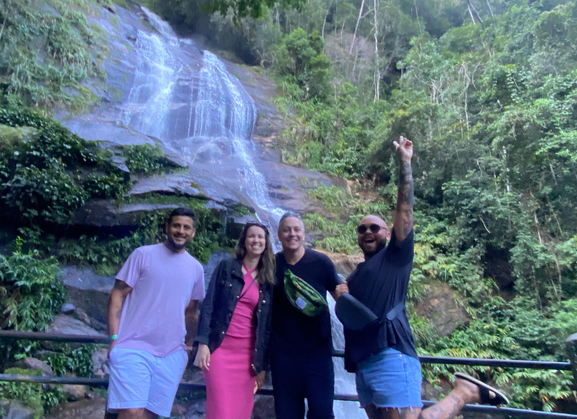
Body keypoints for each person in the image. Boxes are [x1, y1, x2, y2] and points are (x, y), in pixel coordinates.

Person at [339, 136, 509, 419]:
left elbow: (405, 209)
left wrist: (405, 163)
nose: (367, 232)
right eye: (361, 229)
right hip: (362, 362)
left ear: (389, 233)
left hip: (391, 353)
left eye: (375, 227)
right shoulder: (354, 276)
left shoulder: (396, 256)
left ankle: (463, 392)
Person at [106, 207, 206, 419]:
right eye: (176, 225)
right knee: (131, 411)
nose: (181, 231)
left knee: (150, 415)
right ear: (167, 227)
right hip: (133, 346)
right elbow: (117, 295)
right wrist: (114, 337)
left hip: (172, 353)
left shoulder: (196, 268)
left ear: (193, 232)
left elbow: (191, 312)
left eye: (186, 227)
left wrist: (186, 350)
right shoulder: (143, 255)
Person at [194, 222, 276, 419]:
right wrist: (203, 342)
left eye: (260, 237)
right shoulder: (226, 267)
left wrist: (262, 366)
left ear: (266, 243)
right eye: (251, 236)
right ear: (244, 241)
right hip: (220, 350)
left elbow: (266, 327)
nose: (256, 240)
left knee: (241, 413)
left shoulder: (268, 280)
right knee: (220, 412)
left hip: (248, 358)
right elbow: (208, 305)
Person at [269, 212, 344, 419]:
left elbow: (340, 296)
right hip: (283, 356)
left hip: (317, 356)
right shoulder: (271, 265)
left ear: (303, 233)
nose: (292, 234)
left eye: (296, 229)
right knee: (286, 414)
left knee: (321, 413)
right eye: (286, 229)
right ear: (279, 234)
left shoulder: (321, 262)